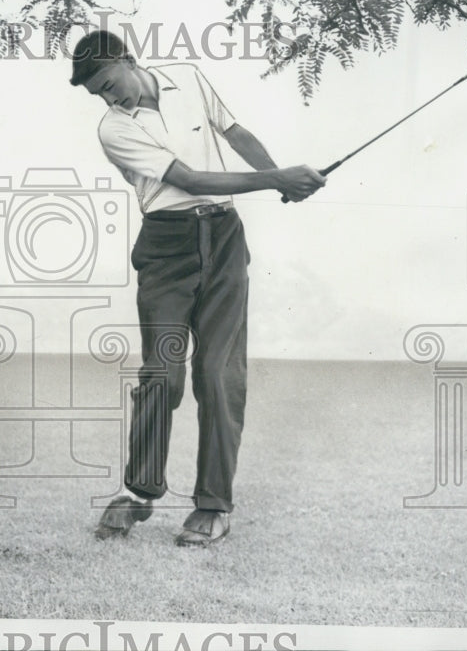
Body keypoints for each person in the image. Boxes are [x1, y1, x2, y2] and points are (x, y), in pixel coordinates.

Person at [69, 30, 325, 547]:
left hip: (225, 240)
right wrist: (279, 181)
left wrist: (279, 175)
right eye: (98, 92)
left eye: (108, 82)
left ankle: (213, 505)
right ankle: (139, 492)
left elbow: (235, 133)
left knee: (218, 373)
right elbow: (189, 179)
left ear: (128, 59)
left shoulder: (186, 78)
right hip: (167, 249)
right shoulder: (113, 130)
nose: (108, 97)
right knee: (162, 373)